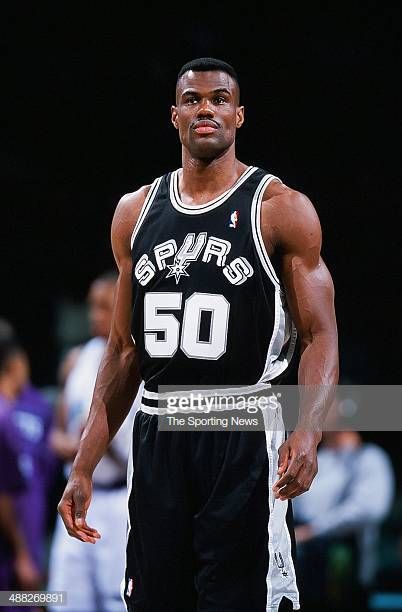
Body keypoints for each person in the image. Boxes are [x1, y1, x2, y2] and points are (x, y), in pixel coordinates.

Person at [57, 57, 339, 611]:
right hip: (158, 430)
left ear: (239, 114)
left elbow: (320, 336)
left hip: (242, 429)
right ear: (175, 115)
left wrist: (309, 430)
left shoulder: (280, 209)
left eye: (218, 98)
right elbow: (122, 352)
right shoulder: (134, 212)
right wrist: (84, 463)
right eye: (192, 99)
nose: (205, 108)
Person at [47, 271, 141, 612]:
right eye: (92, 306)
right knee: (64, 599)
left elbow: (140, 450)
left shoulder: (140, 362)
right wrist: (68, 444)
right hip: (75, 496)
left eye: (104, 307)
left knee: (116, 600)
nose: (95, 315)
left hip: (119, 500)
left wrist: (97, 438)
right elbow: (57, 428)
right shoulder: (77, 359)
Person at [292, 429, 395, 611]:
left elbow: (369, 509)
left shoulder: (369, 457)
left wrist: (312, 530)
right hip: (304, 572)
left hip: (345, 567)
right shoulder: (318, 458)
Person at [0, 334, 42, 611]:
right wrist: (22, 552)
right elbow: (2, 494)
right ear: (16, 364)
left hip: (28, 530)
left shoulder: (31, 406)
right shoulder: (3, 418)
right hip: (12, 544)